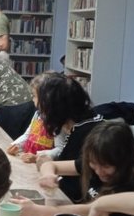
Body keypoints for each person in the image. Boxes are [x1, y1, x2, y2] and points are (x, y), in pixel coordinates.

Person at [12, 122, 134, 216]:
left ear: (124, 162)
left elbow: (90, 209)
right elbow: (50, 164)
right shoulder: (96, 163)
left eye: (106, 166)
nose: (98, 171)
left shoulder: (129, 184)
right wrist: (48, 175)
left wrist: (37, 211)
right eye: (93, 163)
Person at [34, 73, 103, 202]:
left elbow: (78, 170)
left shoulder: (85, 132)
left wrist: (49, 167)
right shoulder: (89, 122)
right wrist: (49, 166)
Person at [6, 72, 62, 163]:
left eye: (35, 96)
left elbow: (60, 149)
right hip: (28, 160)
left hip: (44, 163)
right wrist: (16, 144)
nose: (32, 99)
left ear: (47, 99)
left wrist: (37, 157)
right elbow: (28, 135)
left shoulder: (58, 121)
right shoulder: (38, 114)